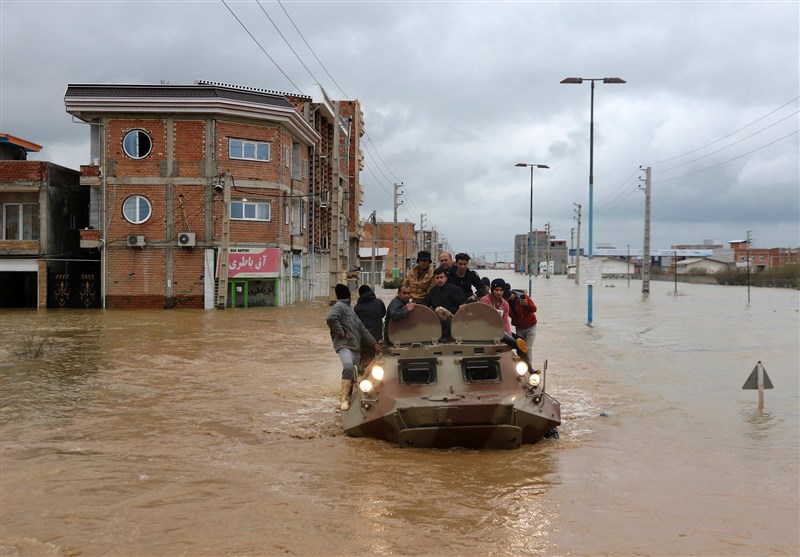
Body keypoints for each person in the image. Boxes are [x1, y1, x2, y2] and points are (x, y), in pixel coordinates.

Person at [326, 284, 382, 411]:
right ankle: (344, 399)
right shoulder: (339, 306)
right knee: (348, 366)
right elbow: (330, 318)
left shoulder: (351, 310)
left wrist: (374, 343)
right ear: (349, 296)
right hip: (344, 345)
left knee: (357, 373)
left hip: (354, 347)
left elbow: (362, 329)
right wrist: (340, 332)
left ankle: (352, 398)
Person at [480, 278, 528, 356]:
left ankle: (527, 365)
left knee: (521, 342)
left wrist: (509, 334)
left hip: (501, 331)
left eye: (501, 290)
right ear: (492, 290)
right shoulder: (485, 301)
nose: (499, 292)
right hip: (487, 330)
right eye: (496, 290)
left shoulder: (505, 304)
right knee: (515, 343)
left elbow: (505, 321)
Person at [422, 266, 466, 339]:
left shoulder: (454, 289)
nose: (439, 280)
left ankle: (446, 335)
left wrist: (463, 305)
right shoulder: (433, 291)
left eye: (441, 277)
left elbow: (463, 302)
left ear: (446, 278)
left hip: (454, 321)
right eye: (437, 278)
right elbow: (425, 302)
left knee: (439, 310)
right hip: (438, 322)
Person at [354, 284, 386, 363]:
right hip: (378, 338)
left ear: (360, 295)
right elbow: (383, 314)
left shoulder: (357, 307)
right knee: (380, 362)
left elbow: (356, 324)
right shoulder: (379, 303)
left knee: (366, 362)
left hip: (364, 341)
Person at [504, 287, 538, 356]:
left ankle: (529, 366)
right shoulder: (506, 303)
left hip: (531, 326)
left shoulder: (523, 297)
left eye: (505, 298)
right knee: (520, 348)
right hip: (519, 328)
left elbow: (534, 309)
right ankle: (522, 365)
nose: (504, 300)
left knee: (528, 349)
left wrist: (527, 304)